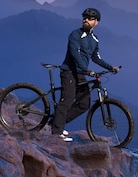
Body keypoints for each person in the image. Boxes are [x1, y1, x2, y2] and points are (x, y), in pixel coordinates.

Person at [51, 8, 120, 141]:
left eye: (89, 18)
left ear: (96, 22)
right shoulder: (75, 34)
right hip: (69, 72)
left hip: (81, 74)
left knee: (83, 104)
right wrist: (86, 69)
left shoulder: (94, 39)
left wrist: (110, 67)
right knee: (67, 100)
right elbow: (75, 54)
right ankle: (56, 131)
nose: (86, 20)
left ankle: (56, 122)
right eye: (84, 17)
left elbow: (96, 57)